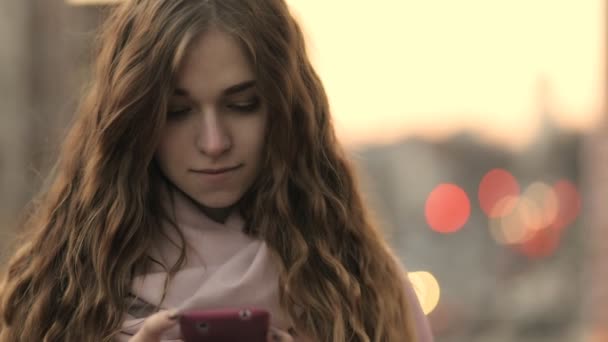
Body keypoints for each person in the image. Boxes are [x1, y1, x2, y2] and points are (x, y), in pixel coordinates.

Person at [0, 0, 433, 341]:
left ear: (286, 109)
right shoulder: (56, 289)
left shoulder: (363, 285)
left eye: (241, 105)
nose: (213, 142)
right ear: (136, 119)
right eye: (177, 111)